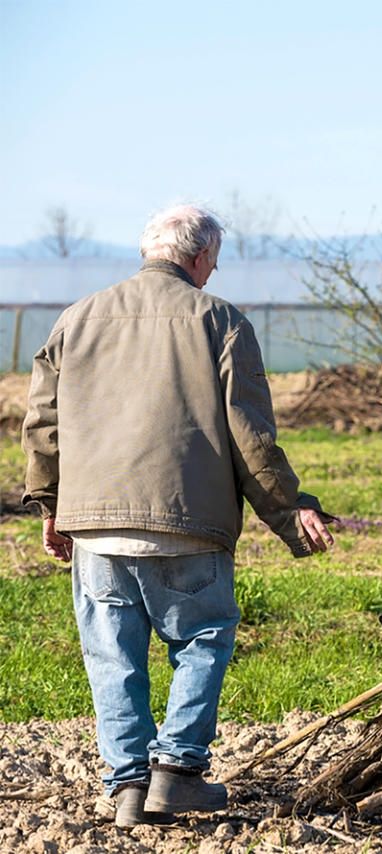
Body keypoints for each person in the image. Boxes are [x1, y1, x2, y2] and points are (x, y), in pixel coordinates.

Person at [21, 204, 335, 828]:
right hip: (187, 522)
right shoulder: (220, 321)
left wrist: (52, 506)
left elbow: (43, 426)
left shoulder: (76, 319)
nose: (212, 272)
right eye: (213, 261)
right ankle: (179, 770)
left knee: (113, 658)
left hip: (97, 529)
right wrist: (289, 509)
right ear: (198, 257)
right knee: (204, 638)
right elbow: (251, 435)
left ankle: (129, 789)